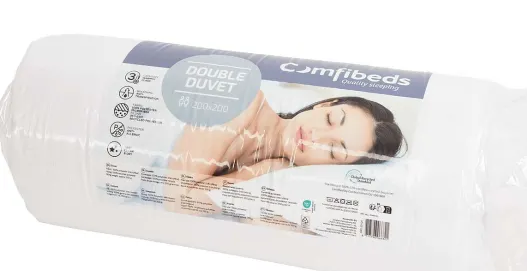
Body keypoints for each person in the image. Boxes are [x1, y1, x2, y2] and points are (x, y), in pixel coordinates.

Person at [165, 91, 404, 214]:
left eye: (332, 150)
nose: (315, 135)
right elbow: (177, 200)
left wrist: (265, 173)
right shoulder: (245, 101)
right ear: (323, 105)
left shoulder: (280, 180)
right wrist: (256, 174)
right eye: (330, 119)